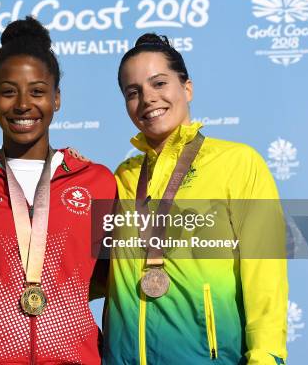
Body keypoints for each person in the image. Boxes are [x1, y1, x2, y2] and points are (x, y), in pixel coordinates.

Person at [103, 34, 288, 364]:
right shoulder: (123, 178)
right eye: (133, 93)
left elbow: (265, 275)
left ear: (187, 88)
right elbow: (85, 274)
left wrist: (266, 356)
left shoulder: (238, 163)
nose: (147, 98)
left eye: (159, 83)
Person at [0, 17, 117, 364]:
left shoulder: (97, 181)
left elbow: (114, 279)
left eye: (37, 91)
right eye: (9, 92)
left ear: (56, 99)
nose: (23, 104)